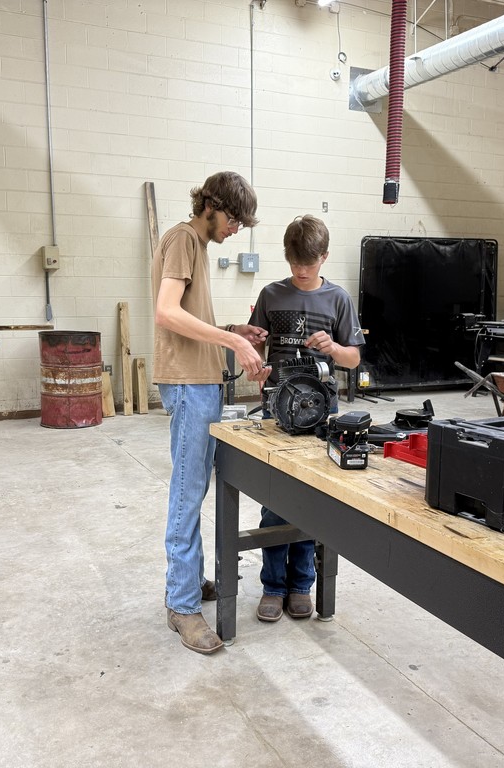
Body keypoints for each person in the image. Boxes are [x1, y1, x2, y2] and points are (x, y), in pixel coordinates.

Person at [152, 171, 271, 655]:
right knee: (187, 493)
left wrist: (232, 329)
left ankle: (188, 580)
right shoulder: (183, 239)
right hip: (188, 384)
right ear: (211, 206)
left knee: (196, 487)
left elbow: (189, 320)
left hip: (201, 381)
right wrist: (232, 342)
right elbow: (165, 312)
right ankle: (181, 605)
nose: (236, 229)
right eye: (234, 219)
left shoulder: (197, 247)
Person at [246, 214, 365, 622]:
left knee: (312, 498)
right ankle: (272, 586)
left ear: (324, 257)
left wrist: (332, 347)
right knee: (274, 499)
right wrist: (256, 367)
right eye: (294, 263)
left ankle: (301, 585)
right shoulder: (270, 294)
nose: (300, 271)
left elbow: (353, 358)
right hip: (277, 409)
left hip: (321, 414)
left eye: (309, 264)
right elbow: (255, 349)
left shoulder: (338, 299)